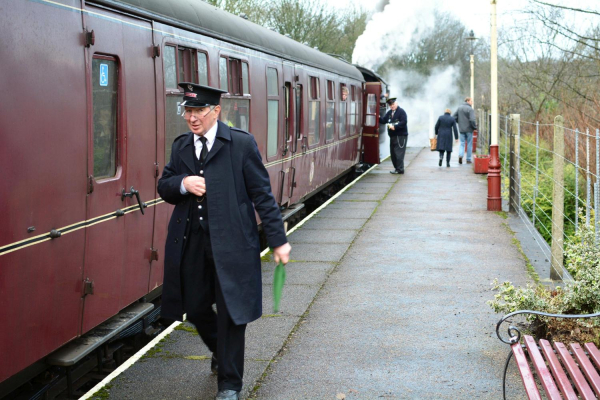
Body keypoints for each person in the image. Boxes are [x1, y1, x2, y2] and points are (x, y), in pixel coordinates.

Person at [157, 83, 292, 400]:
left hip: (233, 247)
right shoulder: (181, 148)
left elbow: (262, 196)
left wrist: (278, 241)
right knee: (195, 306)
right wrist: (183, 183)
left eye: (198, 110)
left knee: (233, 314)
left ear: (216, 111)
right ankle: (222, 350)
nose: (192, 118)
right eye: (187, 111)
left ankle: (230, 384)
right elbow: (164, 187)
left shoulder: (241, 145)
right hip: (191, 245)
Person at [379, 97, 408, 174]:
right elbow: (384, 120)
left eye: (393, 104)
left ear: (396, 103)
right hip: (393, 136)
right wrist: (377, 117)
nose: (392, 106)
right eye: (390, 105)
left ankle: (400, 169)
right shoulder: (389, 113)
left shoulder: (401, 112)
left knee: (399, 153)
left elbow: (404, 122)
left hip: (400, 136)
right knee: (393, 154)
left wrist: (395, 127)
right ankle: (396, 168)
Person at [452, 97, 478, 164]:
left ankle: (460, 155)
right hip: (469, 129)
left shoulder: (459, 108)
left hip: (461, 129)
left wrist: (459, 122)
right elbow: (472, 120)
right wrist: (474, 127)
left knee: (462, 143)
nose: (472, 102)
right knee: (469, 144)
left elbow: (454, 117)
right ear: (468, 101)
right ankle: (468, 159)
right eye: (471, 101)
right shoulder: (470, 109)